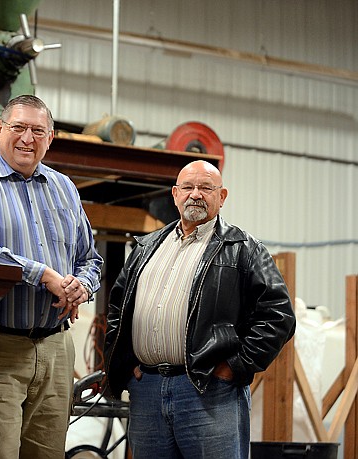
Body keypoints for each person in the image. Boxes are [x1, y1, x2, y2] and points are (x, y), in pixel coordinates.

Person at [0, 94, 103, 459]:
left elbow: (90, 258)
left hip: (57, 351)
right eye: (18, 128)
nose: (27, 138)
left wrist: (81, 286)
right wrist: (44, 275)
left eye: (38, 130)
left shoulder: (64, 187)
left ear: (51, 137)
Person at [103, 160, 295, 459]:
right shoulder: (147, 246)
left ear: (222, 196)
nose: (196, 194)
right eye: (189, 187)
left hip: (209, 390)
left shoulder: (243, 248)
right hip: (148, 390)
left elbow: (278, 315)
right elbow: (118, 308)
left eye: (206, 188)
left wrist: (234, 367)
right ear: (175, 194)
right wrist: (128, 367)